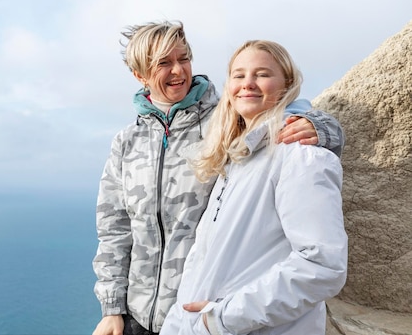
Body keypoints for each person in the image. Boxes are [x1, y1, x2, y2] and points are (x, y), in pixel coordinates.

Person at [92, 21, 345, 335]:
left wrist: (321, 126)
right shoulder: (127, 141)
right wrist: (112, 308)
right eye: (164, 63)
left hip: (203, 311)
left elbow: (282, 110)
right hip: (138, 316)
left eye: (183, 59)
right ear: (140, 75)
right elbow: (114, 227)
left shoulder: (225, 119)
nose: (178, 71)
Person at [160, 40, 347, 335]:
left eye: (261, 74)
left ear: (286, 84)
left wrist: (221, 319)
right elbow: (204, 261)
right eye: (238, 75)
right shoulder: (235, 158)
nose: (247, 83)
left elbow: (322, 266)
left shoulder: (300, 154)